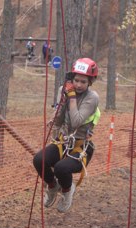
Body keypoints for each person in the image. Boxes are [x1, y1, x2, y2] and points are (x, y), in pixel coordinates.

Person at [33, 58, 100, 213]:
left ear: (91, 81)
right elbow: (60, 119)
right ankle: (52, 186)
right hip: (64, 142)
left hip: (81, 147)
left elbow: (76, 121)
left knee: (60, 168)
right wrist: (62, 98)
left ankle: (67, 191)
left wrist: (71, 96)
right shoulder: (65, 90)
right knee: (39, 160)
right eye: (76, 80)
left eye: (83, 82)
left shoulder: (92, 97)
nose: (78, 85)